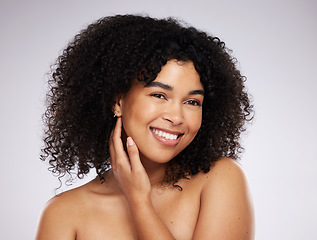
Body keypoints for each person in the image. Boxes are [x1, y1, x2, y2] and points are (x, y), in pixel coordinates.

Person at [36, 14, 254, 240]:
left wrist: (139, 201)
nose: (177, 117)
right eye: (159, 95)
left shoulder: (218, 179)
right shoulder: (63, 213)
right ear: (118, 102)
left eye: (192, 102)